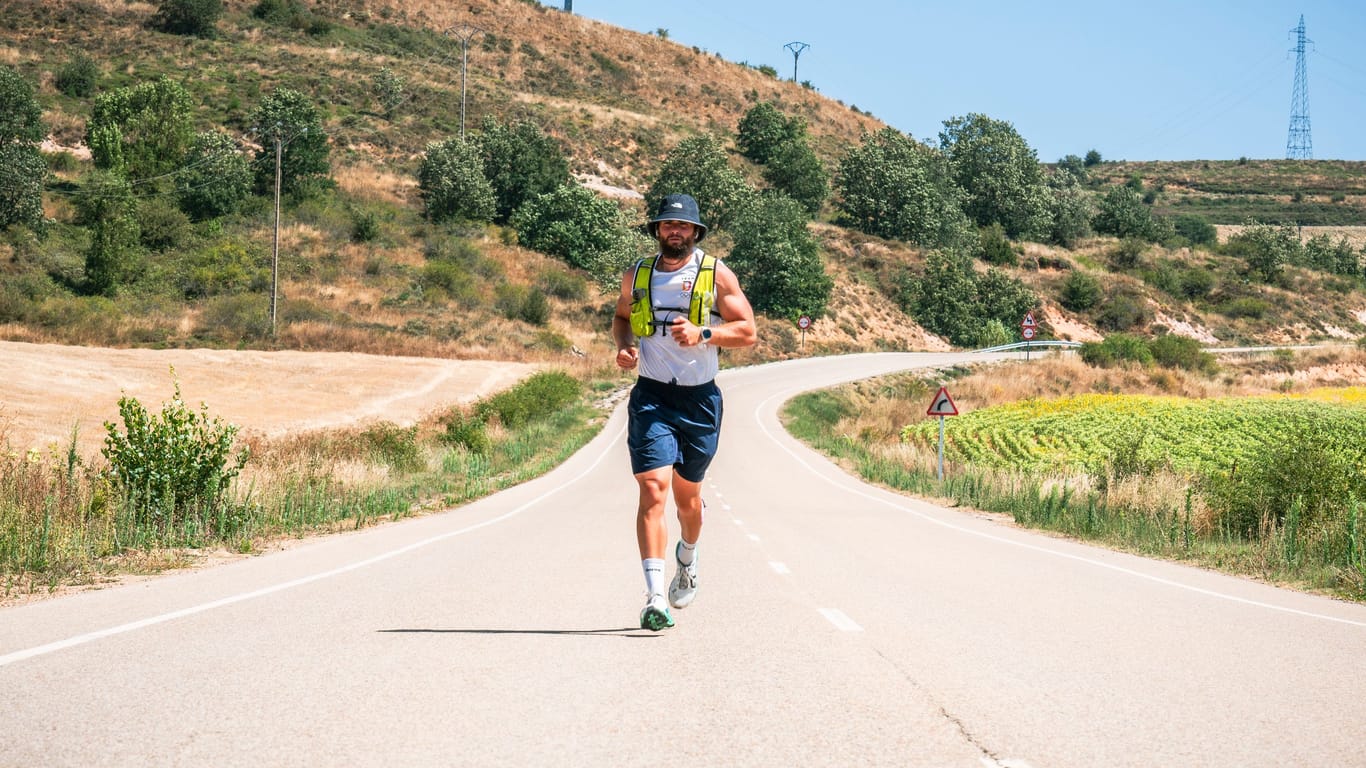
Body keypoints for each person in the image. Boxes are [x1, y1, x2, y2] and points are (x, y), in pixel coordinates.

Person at [613, 193, 756, 631]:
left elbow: (748, 331)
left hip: (699, 401)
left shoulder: (714, 274)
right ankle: (655, 596)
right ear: (657, 230)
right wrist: (624, 347)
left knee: (687, 500)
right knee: (653, 490)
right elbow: (621, 317)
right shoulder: (637, 274)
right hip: (652, 396)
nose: (675, 232)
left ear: (695, 232)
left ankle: (687, 558)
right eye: (667, 225)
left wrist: (704, 332)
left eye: (683, 227)